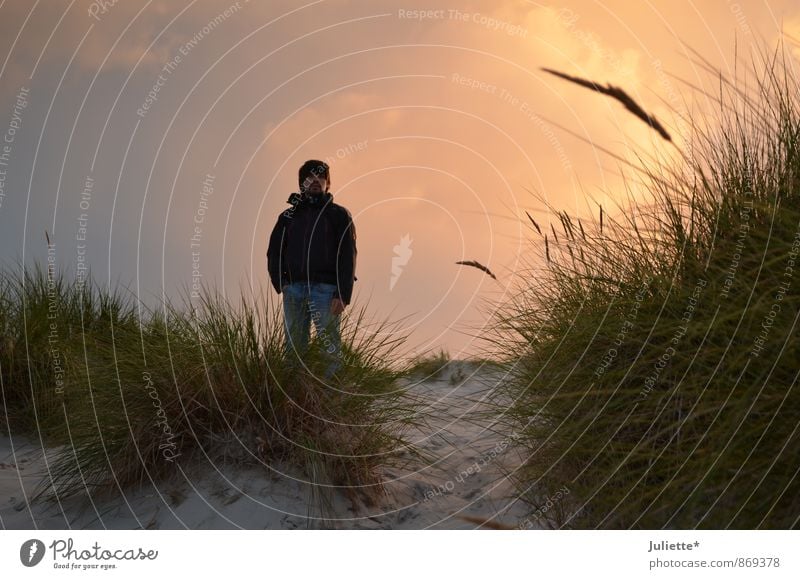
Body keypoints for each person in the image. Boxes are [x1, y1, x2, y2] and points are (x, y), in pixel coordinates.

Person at [267, 159, 357, 379]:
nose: (315, 181)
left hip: (326, 291)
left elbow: (348, 255)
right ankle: (295, 395)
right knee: (294, 347)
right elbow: (274, 251)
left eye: (321, 177)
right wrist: (283, 284)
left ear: (328, 183)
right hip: (294, 289)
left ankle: (331, 397)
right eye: (309, 178)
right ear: (301, 183)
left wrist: (342, 293)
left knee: (330, 348)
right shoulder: (287, 217)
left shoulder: (339, 215)